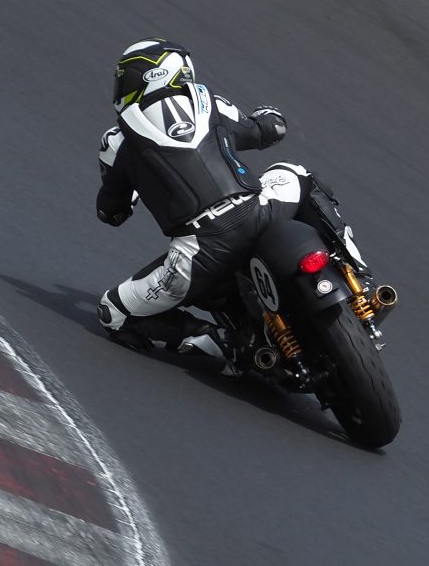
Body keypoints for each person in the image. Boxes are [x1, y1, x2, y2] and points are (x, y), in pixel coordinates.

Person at [94, 38, 339, 361]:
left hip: (201, 251)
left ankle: (223, 344)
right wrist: (270, 115)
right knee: (298, 174)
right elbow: (269, 130)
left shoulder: (116, 141)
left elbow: (111, 213)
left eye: (126, 77)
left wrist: (132, 190)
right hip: (261, 209)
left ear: (150, 75)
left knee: (113, 313)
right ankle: (355, 274)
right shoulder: (207, 101)